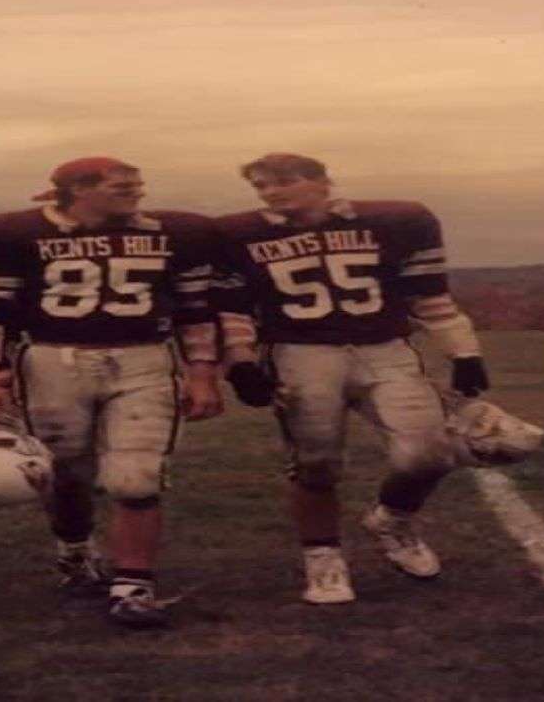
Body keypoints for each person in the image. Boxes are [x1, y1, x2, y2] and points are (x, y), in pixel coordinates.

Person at [0, 156, 225, 629]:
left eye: (138, 185)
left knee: (137, 476)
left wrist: (202, 372)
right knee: (65, 473)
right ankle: (75, 550)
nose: (136, 193)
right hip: (53, 360)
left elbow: (195, 310)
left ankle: (133, 586)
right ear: (78, 191)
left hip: (143, 358)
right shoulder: (14, 235)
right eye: (121, 186)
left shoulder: (174, 234)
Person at [207, 153, 488, 605]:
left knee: (430, 453)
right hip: (301, 353)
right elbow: (233, 307)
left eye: (284, 181)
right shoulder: (239, 234)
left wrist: (464, 351)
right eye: (262, 185)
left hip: (386, 349)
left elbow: (428, 294)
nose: (272, 192)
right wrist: (239, 360)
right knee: (315, 464)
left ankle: (393, 518)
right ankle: (323, 558)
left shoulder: (394, 221)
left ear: (322, 181)